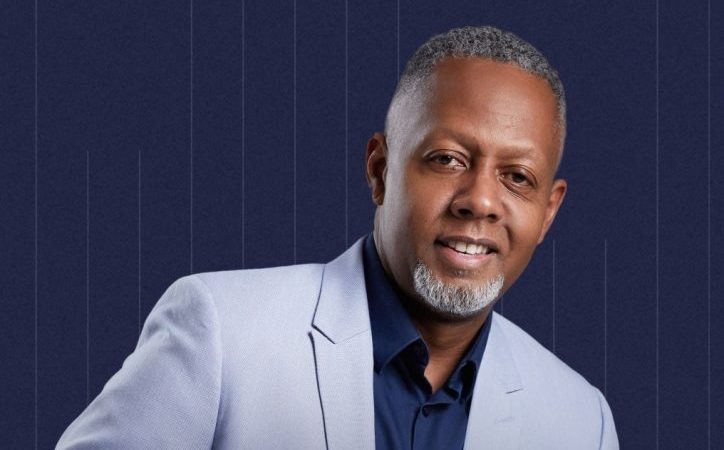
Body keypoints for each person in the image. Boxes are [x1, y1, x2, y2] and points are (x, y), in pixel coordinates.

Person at [57, 26, 618, 449]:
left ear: (548, 211)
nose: (481, 201)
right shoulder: (221, 334)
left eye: (517, 177)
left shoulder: (581, 421)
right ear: (380, 170)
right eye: (447, 159)